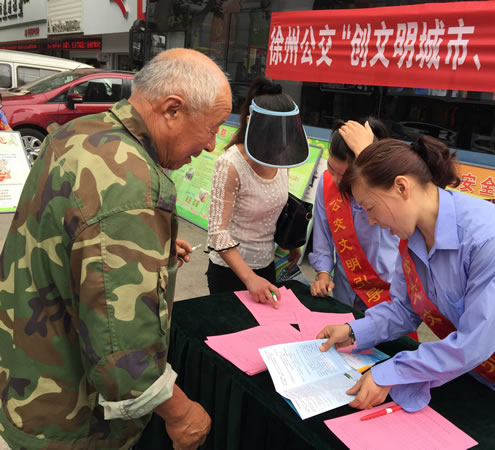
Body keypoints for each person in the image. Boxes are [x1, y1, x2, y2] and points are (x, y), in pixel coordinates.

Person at [0, 48, 232, 449]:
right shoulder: (131, 186)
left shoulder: (80, 131)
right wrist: (180, 413)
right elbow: (123, 351)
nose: (212, 145)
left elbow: (72, 237)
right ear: (172, 110)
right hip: (72, 419)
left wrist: (149, 249)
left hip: (28, 376)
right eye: (212, 128)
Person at [317, 136, 495, 427]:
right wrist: (354, 331)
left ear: (402, 187)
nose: (372, 222)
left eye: (371, 208)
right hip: (475, 372)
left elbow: (477, 341)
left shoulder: (490, 239)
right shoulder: (413, 237)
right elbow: (406, 308)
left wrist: (390, 372)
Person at [206, 76, 306, 307]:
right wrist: (249, 278)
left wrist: (291, 244)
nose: (279, 147)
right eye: (274, 138)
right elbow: (217, 232)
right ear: (252, 124)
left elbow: (278, 206)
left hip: (267, 266)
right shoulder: (230, 164)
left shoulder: (282, 159)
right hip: (230, 272)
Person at [309, 118, 400, 311]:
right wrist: (323, 275)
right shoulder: (328, 184)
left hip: (387, 291)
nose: (336, 179)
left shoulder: (389, 188)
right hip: (346, 288)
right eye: (331, 168)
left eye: (345, 176)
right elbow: (322, 236)